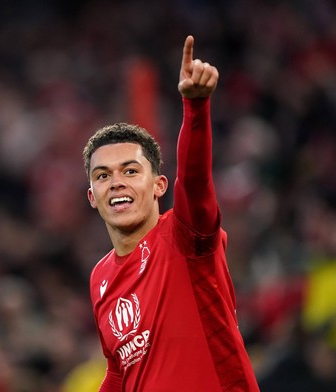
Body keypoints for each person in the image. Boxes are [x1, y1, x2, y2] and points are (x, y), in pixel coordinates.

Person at [82, 35, 260, 391]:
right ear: (92, 196)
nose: (116, 183)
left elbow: (195, 181)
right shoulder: (100, 278)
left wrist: (195, 108)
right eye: (103, 176)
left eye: (131, 171)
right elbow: (119, 372)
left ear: (159, 186)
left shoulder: (185, 237)